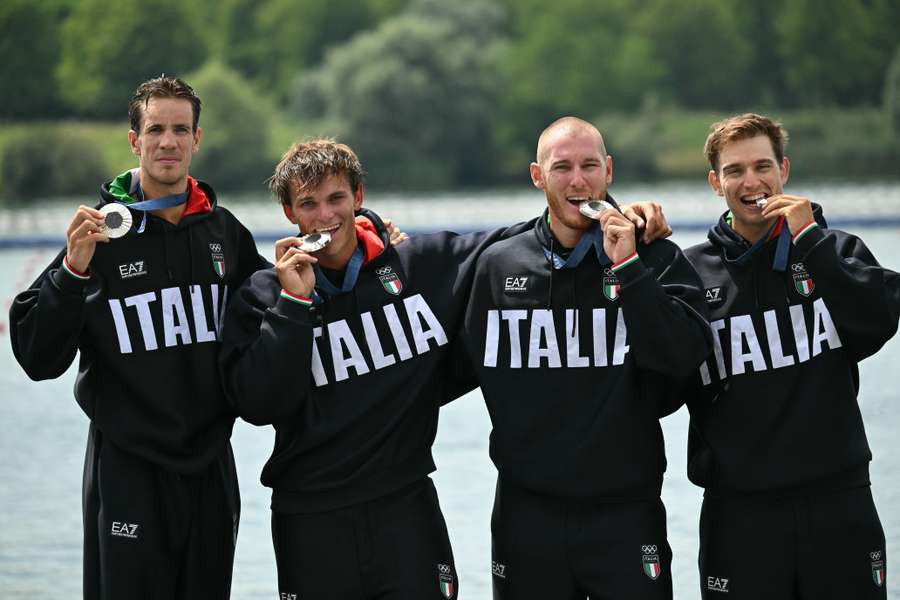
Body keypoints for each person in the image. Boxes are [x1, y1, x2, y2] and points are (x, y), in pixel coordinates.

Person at [9, 76, 267, 599]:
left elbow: (282, 301)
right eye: (155, 129)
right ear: (135, 140)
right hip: (128, 469)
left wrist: (367, 245)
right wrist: (73, 273)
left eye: (179, 129)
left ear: (197, 139)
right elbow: (38, 357)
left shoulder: (224, 233)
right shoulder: (99, 236)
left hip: (211, 466)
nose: (167, 141)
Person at [460, 116, 712, 600]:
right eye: (563, 167)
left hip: (625, 511)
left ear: (609, 171)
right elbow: (456, 362)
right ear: (538, 176)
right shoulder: (498, 265)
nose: (578, 180)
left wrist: (629, 268)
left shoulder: (655, 258)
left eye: (590, 165)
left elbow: (683, 359)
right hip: (525, 516)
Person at [682, 113, 900, 599]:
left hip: (838, 502)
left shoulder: (836, 250)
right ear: (716, 183)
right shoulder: (690, 273)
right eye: (735, 170)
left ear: (785, 169)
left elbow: (879, 321)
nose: (751, 181)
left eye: (763, 165)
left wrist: (811, 242)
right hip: (738, 513)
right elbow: (660, 379)